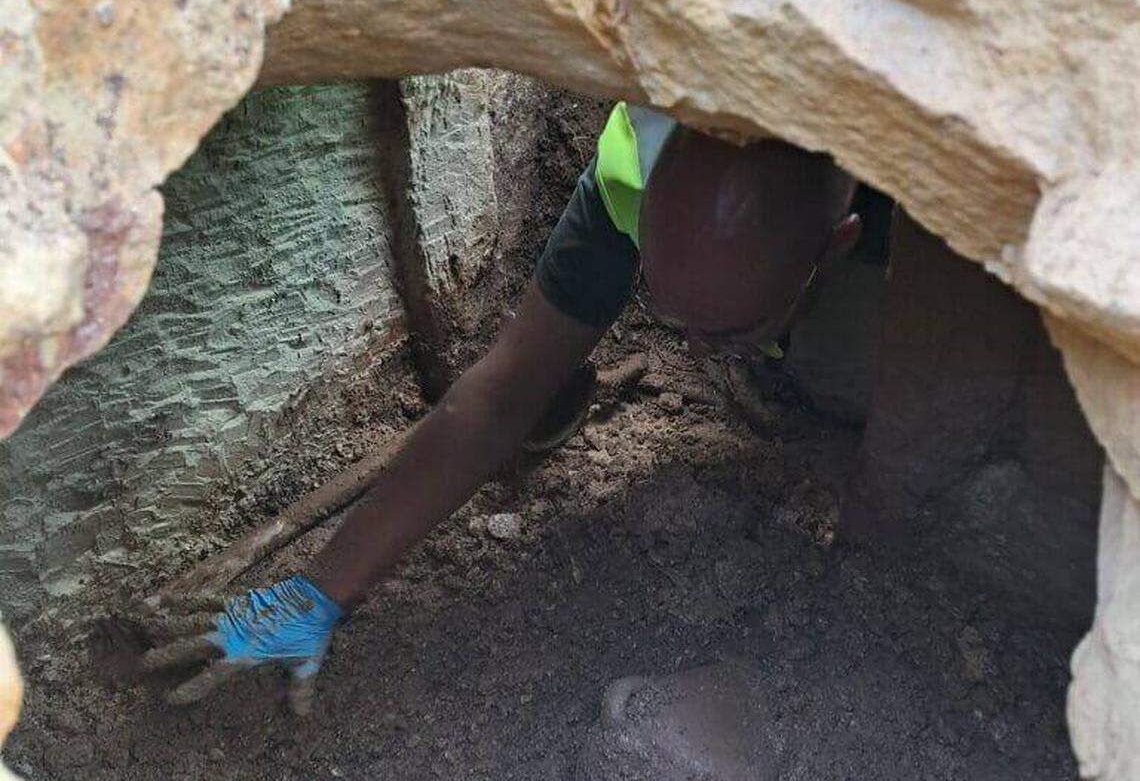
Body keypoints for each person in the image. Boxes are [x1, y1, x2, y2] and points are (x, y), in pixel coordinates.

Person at [142, 103, 861, 712]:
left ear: (838, 246)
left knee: (839, 375)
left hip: (856, 289)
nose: (695, 351)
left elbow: (911, 462)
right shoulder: (627, 181)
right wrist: (321, 591)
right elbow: (498, 399)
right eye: (672, 313)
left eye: (722, 333)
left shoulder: (911, 219)